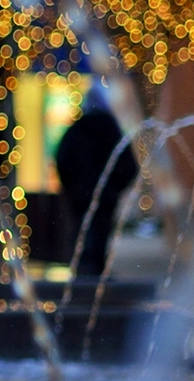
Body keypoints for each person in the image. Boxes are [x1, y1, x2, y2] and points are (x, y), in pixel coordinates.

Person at [54, 97, 138, 278]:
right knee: (101, 230)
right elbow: (130, 166)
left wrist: (71, 187)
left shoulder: (75, 131)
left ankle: (82, 266)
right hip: (105, 195)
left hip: (80, 195)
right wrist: (115, 187)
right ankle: (96, 268)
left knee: (81, 229)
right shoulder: (113, 132)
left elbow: (62, 159)